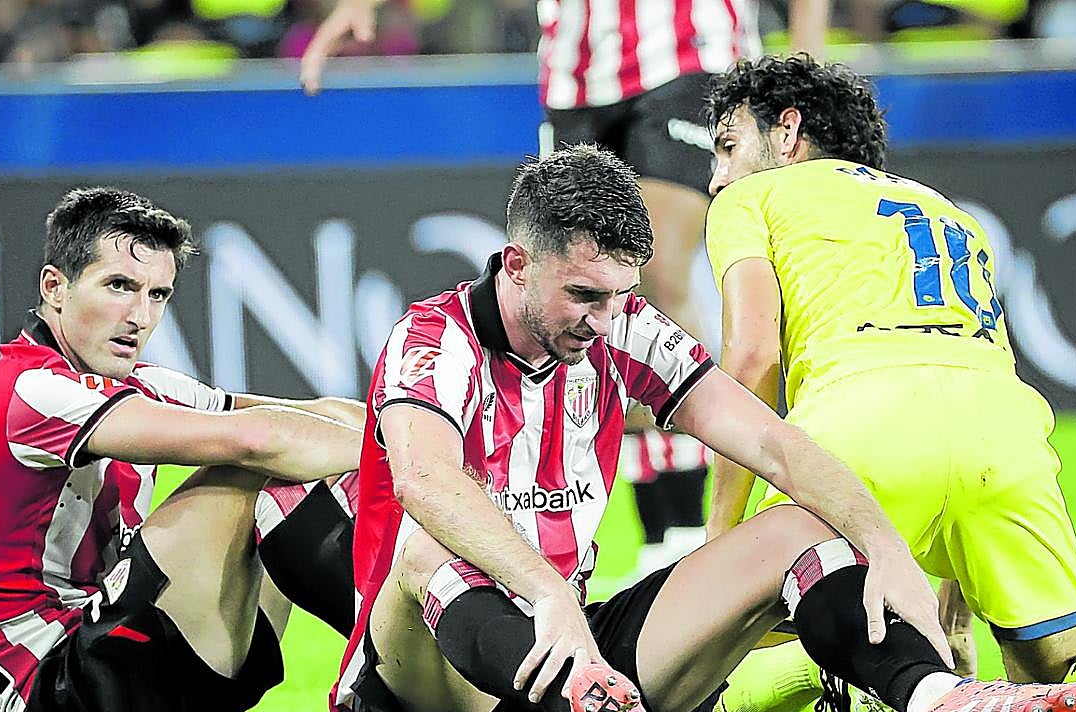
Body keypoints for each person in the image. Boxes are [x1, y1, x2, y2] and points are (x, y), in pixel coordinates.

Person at [329, 144, 1076, 712]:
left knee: (800, 524)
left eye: (618, 295)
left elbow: (769, 439)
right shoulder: (431, 339)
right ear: (517, 263)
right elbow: (426, 482)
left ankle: (934, 701)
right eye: (584, 295)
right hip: (441, 691)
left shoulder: (624, 326)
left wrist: (886, 547)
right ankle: (592, 700)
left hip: (582, 651)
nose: (604, 319)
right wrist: (545, 593)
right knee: (423, 541)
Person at [296, 0, 831, 579]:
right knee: (573, 283)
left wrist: (806, 54)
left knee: (649, 272)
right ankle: (647, 522)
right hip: (573, 74)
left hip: (692, 54)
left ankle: (675, 523)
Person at [699, 54, 1076, 712]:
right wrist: (955, 596)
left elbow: (752, 355)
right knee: (1067, 675)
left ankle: (820, 668)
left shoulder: (751, 200)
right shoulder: (943, 207)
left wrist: (720, 543)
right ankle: (994, 690)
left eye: (728, 146)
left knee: (718, 673)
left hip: (858, 431)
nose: (716, 176)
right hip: (1005, 435)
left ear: (788, 131)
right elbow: (966, 371)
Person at [0, 187, 364, 712]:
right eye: (119, 287)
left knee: (310, 450)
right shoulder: (30, 392)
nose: (140, 316)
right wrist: (405, 463)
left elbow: (308, 414)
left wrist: (420, 439)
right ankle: (389, 667)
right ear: (54, 289)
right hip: (64, 701)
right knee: (261, 464)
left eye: (158, 294)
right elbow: (262, 439)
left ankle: (411, 657)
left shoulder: (143, 385)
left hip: (134, 668)